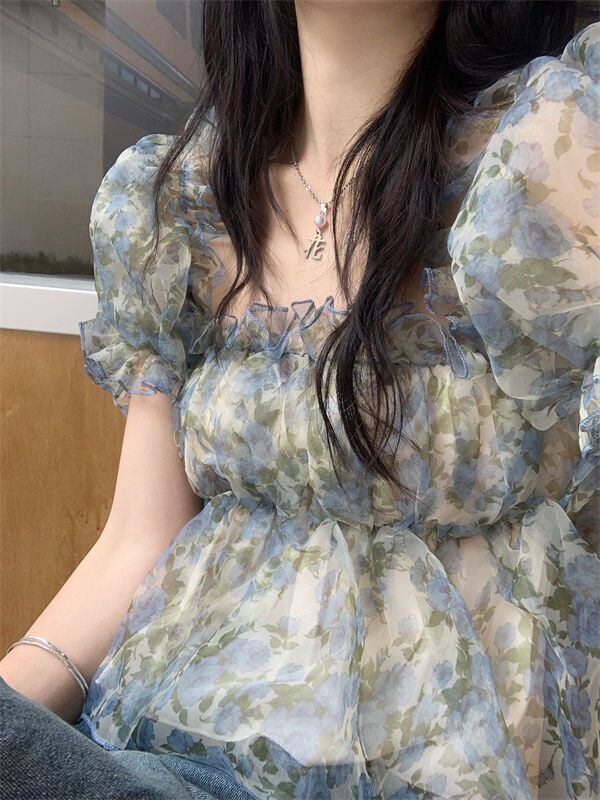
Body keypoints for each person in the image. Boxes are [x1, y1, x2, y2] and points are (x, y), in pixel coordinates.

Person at [1, 2, 598, 799]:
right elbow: (138, 541)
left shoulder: (544, 161)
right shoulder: (185, 205)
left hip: (427, 770)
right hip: (174, 743)